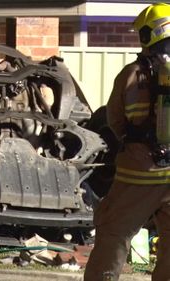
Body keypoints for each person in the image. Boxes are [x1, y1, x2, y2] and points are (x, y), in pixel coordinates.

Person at [84, 3, 170, 281]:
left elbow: (115, 120)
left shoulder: (132, 74)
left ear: (148, 34)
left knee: (114, 231)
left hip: (139, 174)